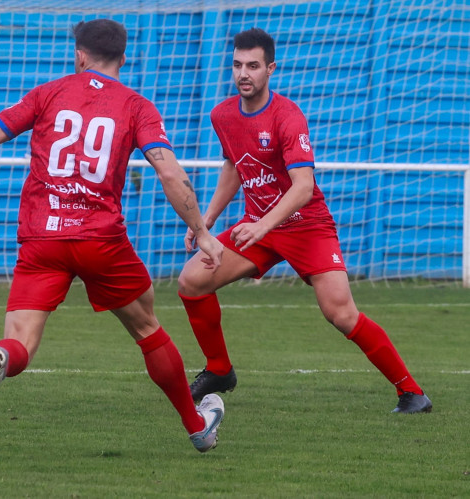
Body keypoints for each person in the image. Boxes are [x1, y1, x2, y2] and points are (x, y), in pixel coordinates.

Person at [0, 18, 227, 452]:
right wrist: (201, 231)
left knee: (20, 337)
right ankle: (196, 427)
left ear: (79, 55)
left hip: (43, 237)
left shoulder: (48, 92)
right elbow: (168, 170)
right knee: (147, 327)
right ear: (124, 58)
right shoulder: (136, 106)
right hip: (101, 240)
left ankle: (2, 358)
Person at [177, 27, 432, 414]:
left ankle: (412, 393)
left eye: (253, 66)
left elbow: (304, 187)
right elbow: (234, 164)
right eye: (237, 65)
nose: (243, 73)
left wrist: (262, 225)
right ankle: (220, 370)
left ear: (271, 69)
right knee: (192, 281)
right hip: (258, 227)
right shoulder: (222, 115)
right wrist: (207, 220)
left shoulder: (287, 116)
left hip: (306, 226)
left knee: (340, 313)